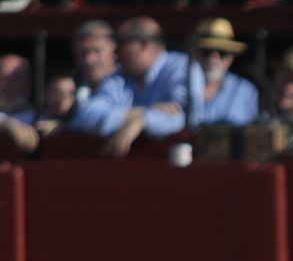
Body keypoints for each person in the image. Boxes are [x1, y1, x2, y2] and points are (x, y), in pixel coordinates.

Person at [71, 17, 192, 157]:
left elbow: (183, 115)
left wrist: (144, 121)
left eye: (121, 44)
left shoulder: (181, 67)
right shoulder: (119, 78)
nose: (116, 53)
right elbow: (85, 116)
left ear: (143, 44)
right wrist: (142, 114)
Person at [188, 18, 261, 127]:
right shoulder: (179, 85)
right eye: (207, 51)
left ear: (230, 58)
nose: (214, 57)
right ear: (195, 54)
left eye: (221, 52)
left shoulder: (247, 91)